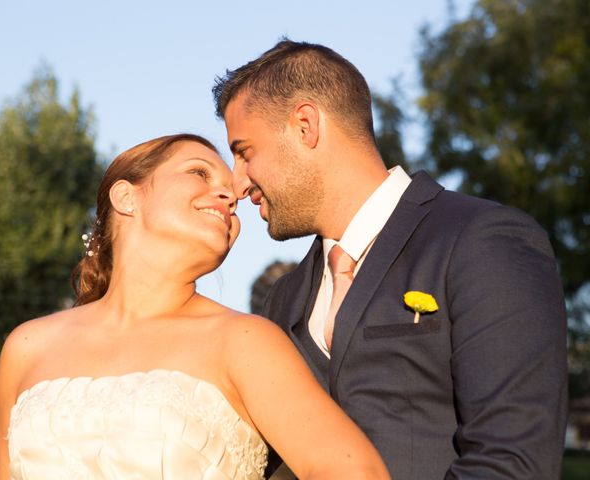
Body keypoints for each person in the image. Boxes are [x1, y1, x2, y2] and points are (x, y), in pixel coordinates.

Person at [213, 40, 568, 479]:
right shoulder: (283, 300)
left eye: (244, 151)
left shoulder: (481, 240)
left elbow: (513, 462)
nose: (237, 182)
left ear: (306, 125)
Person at [0, 134, 391, 480]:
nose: (230, 198)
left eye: (233, 197)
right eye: (199, 173)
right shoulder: (27, 346)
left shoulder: (245, 340)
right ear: (126, 197)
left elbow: (355, 470)